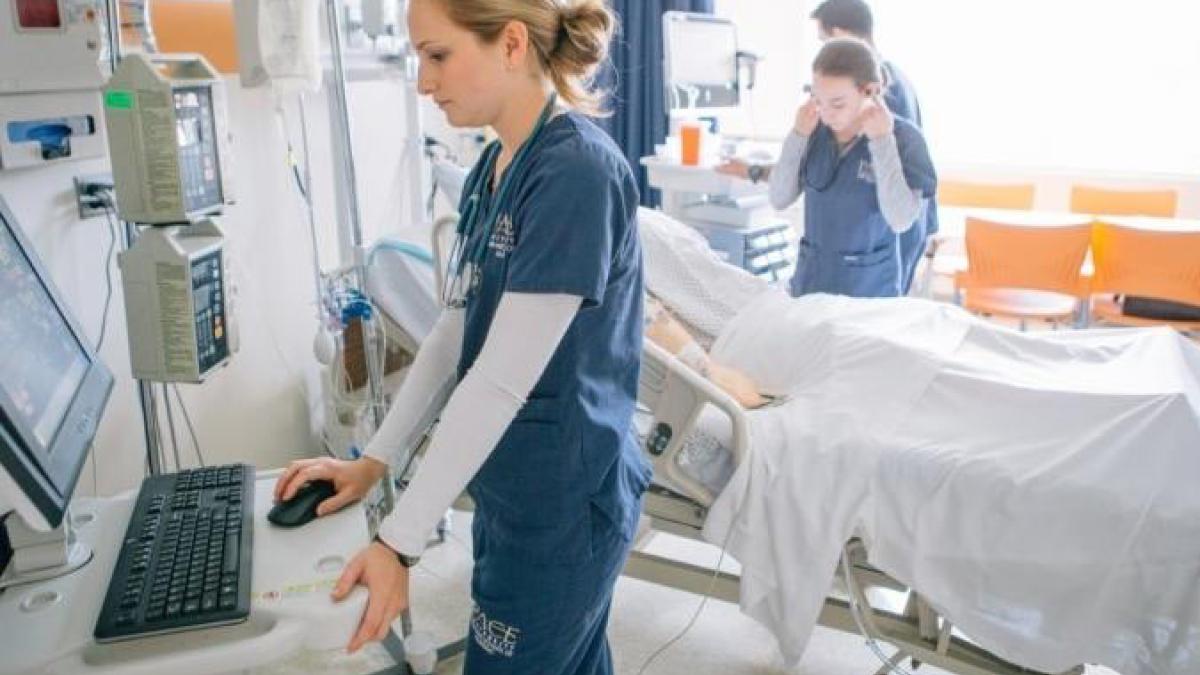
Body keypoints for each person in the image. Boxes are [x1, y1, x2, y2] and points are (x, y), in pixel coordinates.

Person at [274, 0, 651, 672]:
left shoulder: (575, 174)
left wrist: (398, 543)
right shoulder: (496, 166)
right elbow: (453, 332)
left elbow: (499, 380)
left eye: (437, 55)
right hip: (517, 492)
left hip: (566, 505)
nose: (423, 82)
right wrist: (375, 460)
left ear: (511, 44)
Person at [723, 38, 936, 298]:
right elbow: (779, 198)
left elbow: (901, 219)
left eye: (837, 104)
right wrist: (798, 135)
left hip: (867, 291)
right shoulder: (813, 130)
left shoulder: (904, 138)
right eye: (818, 100)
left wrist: (882, 142)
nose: (826, 114)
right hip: (811, 284)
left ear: (870, 91)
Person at [808, 0, 936, 293]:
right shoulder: (895, 74)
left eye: (825, 41)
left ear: (840, 33)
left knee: (874, 318)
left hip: (890, 225)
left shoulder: (874, 90)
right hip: (906, 219)